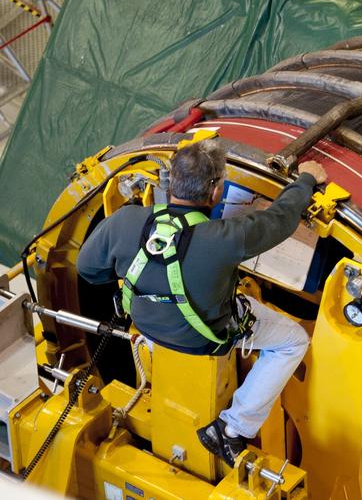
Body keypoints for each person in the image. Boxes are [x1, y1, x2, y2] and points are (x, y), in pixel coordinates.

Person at [78, 137, 328, 467]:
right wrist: (307, 179)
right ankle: (232, 427)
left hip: (147, 328)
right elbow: (281, 219)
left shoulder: (124, 222)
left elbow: (87, 269)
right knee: (293, 342)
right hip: (204, 340)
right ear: (215, 192)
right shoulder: (225, 237)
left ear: (173, 183)